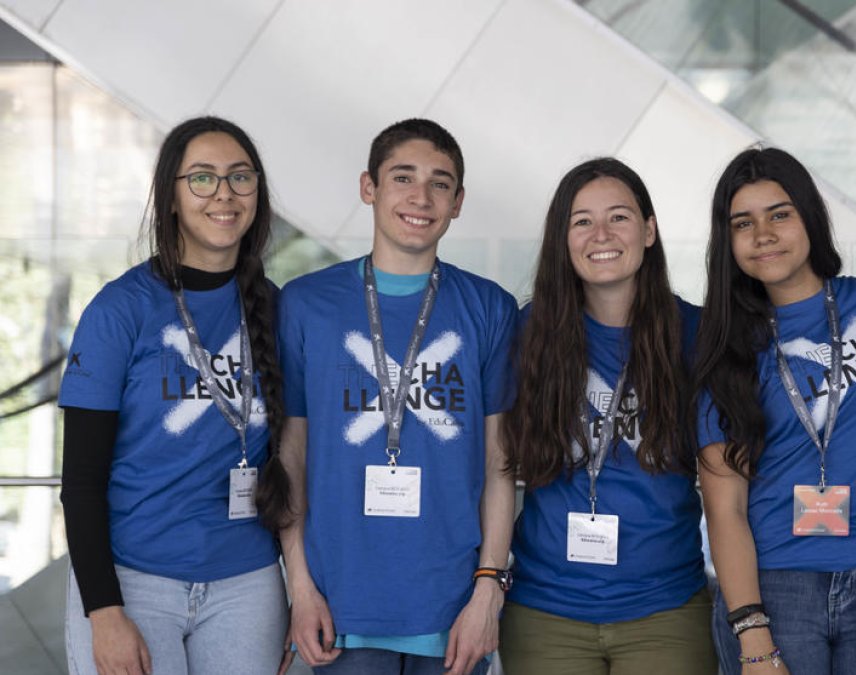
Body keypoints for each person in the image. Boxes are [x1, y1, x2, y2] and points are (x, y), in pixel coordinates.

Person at [271, 118, 516, 675]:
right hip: (338, 608)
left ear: (457, 202)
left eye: (440, 183)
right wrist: (300, 587)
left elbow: (500, 466)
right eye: (403, 177)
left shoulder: (490, 308)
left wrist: (488, 592)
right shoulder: (307, 305)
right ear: (369, 187)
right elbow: (291, 456)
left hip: (453, 611)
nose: (420, 197)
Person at [694, 147, 856, 674]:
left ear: (810, 216)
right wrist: (751, 630)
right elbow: (725, 508)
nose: (763, 234)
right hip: (778, 587)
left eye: (780, 214)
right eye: (744, 222)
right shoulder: (728, 349)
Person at [59, 116, 289, 675]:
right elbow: (81, 482)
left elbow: (301, 461)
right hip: (134, 583)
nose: (224, 195)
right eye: (203, 178)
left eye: (240, 177)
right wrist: (103, 611)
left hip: (248, 586)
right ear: (170, 196)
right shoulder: (120, 310)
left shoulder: (280, 310)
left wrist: (300, 595)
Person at [498, 158, 717, 674]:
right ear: (563, 238)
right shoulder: (529, 334)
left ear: (649, 230)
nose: (601, 234)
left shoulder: (697, 334)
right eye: (581, 221)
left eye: (618, 217)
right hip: (545, 611)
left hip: (665, 609)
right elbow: (496, 463)